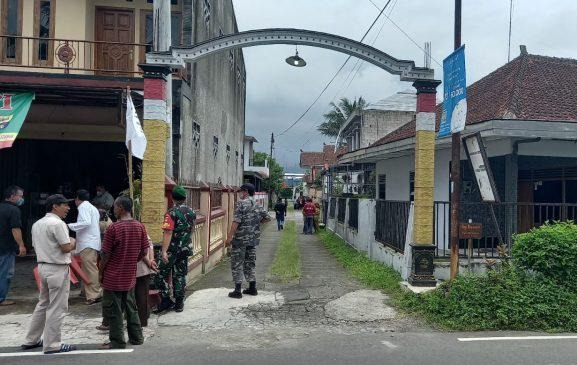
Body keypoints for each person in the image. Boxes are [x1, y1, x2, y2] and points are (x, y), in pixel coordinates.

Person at [21, 194, 76, 354]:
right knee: (57, 307)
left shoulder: (37, 224)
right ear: (55, 206)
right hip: (57, 268)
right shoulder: (58, 224)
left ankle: (31, 340)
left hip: (42, 267)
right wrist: (73, 241)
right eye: (65, 205)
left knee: (43, 304)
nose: (68, 208)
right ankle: (52, 344)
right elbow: (66, 247)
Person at [99, 196, 149, 349]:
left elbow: (105, 254)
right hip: (129, 274)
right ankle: (136, 337)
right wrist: (133, 260)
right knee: (131, 307)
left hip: (113, 276)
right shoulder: (139, 226)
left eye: (115, 207)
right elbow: (144, 251)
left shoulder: (113, 228)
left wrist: (101, 271)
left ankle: (117, 341)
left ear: (120, 208)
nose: (113, 210)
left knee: (114, 310)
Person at [153, 186, 196, 314]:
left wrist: (164, 251)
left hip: (172, 249)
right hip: (184, 249)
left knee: (158, 274)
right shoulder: (191, 212)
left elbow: (168, 233)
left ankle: (166, 299)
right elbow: (192, 229)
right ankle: (179, 303)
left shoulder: (171, 213)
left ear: (172, 197)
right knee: (180, 275)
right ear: (185, 198)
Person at [225, 183, 271, 299]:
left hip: (240, 239)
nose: (240, 193)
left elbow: (236, 221)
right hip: (253, 239)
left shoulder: (241, 204)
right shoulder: (257, 203)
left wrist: (229, 237)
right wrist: (254, 224)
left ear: (246, 191)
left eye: (241, 191)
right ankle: (252, 287)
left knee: (237, 264)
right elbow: (267, 217)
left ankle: (237, 290)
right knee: (250, 263)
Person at [68, 189, 102, 305]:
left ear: (77, 199)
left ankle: (94, 295)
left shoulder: (83, 207)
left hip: (88, 243)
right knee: (88, 268)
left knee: (90, 269)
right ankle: (88, 292)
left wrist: (69, 226)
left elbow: (85, 222)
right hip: (90, 242)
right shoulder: (92, 208)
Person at [0, 185, 26, 306]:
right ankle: (1, 298)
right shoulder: (14, 210)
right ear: (12, 196)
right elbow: (15, 229)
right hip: (6, 247)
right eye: (20, 196)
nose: (22, 198)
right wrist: (21, 245)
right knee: (5, 273)